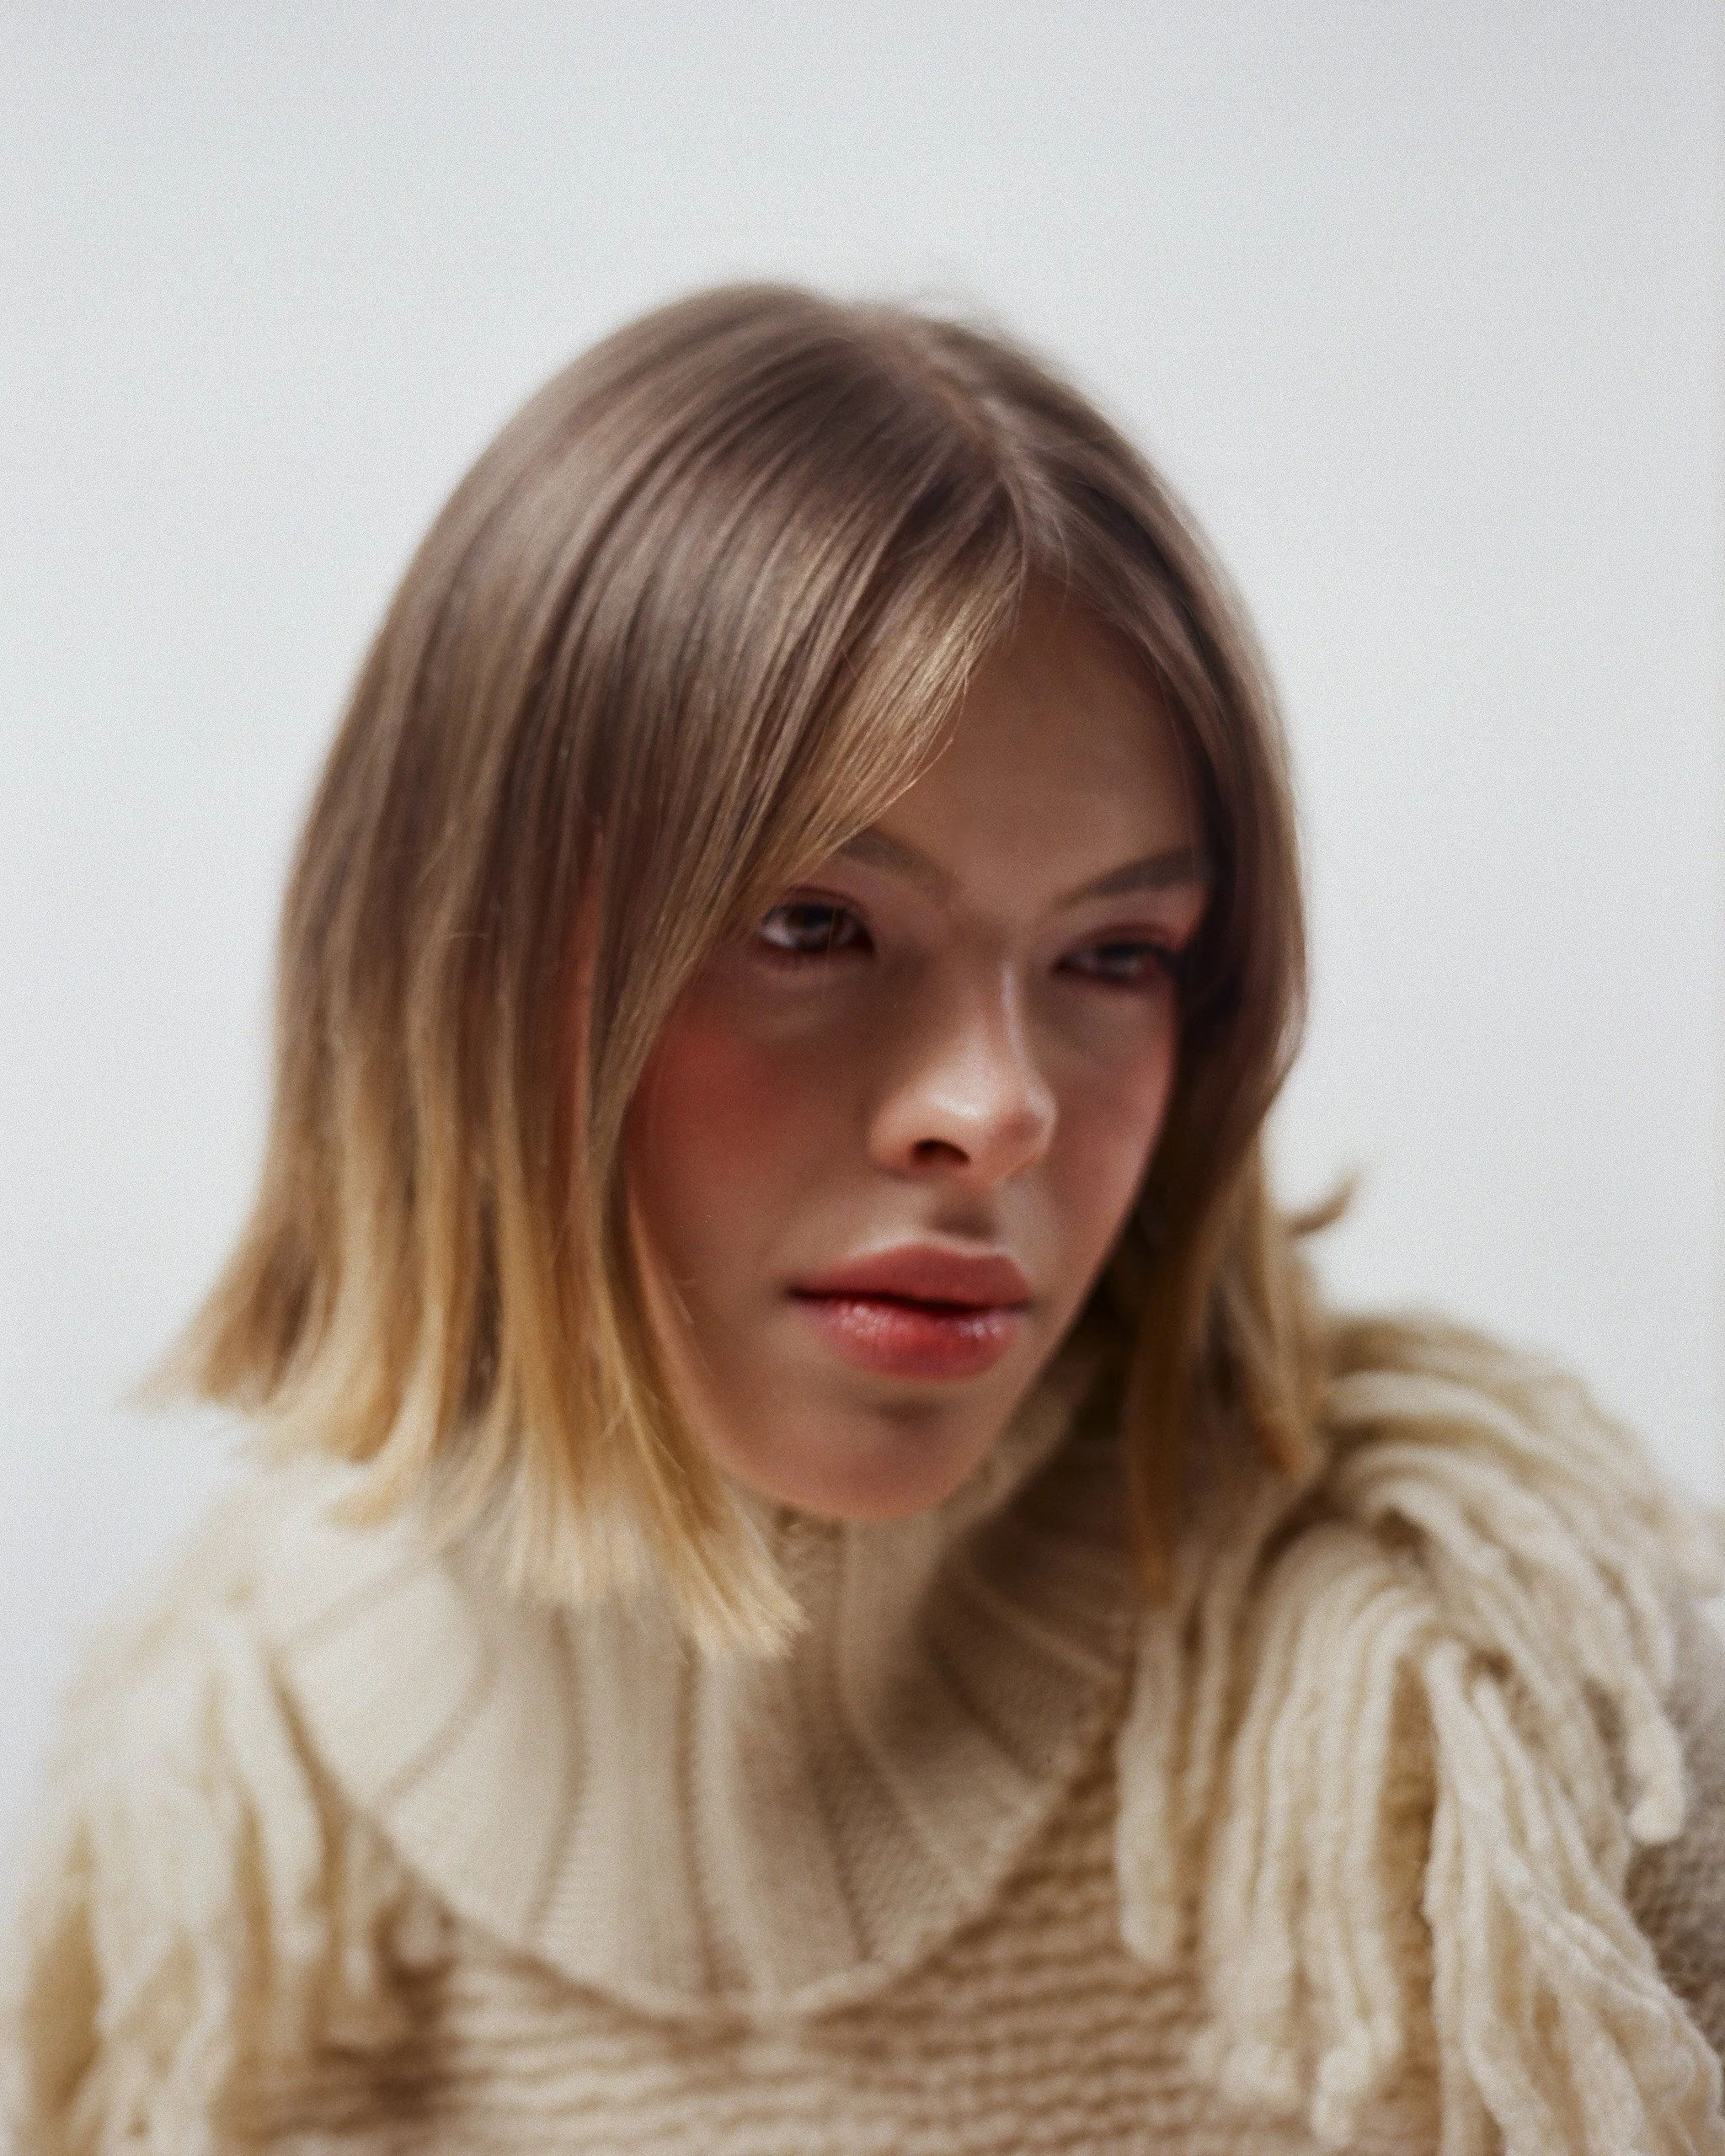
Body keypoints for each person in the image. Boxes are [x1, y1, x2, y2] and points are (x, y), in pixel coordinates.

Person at [6, 285, 1724, 2156]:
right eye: (812, 925)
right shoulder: (214, 1821)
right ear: (459, 975)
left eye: (1115, 951)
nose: (997, 1107)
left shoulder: (1487, 1716)